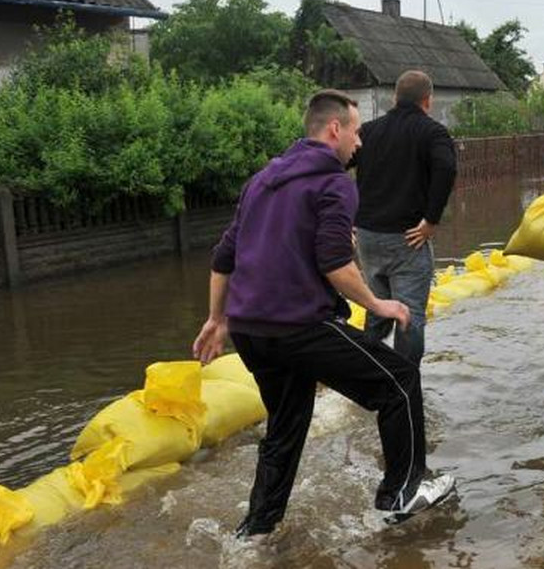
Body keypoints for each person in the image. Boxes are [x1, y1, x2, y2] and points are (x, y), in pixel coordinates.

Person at [191, 89, 455, 537]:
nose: (359, 142)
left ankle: (256, 531)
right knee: (399, 382)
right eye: (355, 130)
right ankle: (402, 493)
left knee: (286, 427)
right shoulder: (334, 182)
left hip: (252, 333)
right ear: (335, 129)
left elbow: (224, 256)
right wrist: (378, 304)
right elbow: (334, 261)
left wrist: (218, 319)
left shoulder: (263, 178)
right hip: (300, 327)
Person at [349, 70, 457, 364]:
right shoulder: (433, 132)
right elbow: (446, 169)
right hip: (408, 238)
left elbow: (336, 162)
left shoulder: (368, 132)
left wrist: (346, 217)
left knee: (377, 307)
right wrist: (431, 220)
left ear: (395, 98)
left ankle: (366, 371)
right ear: (428, 100)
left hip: (368, 237)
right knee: (409, 314)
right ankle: (405, 382)